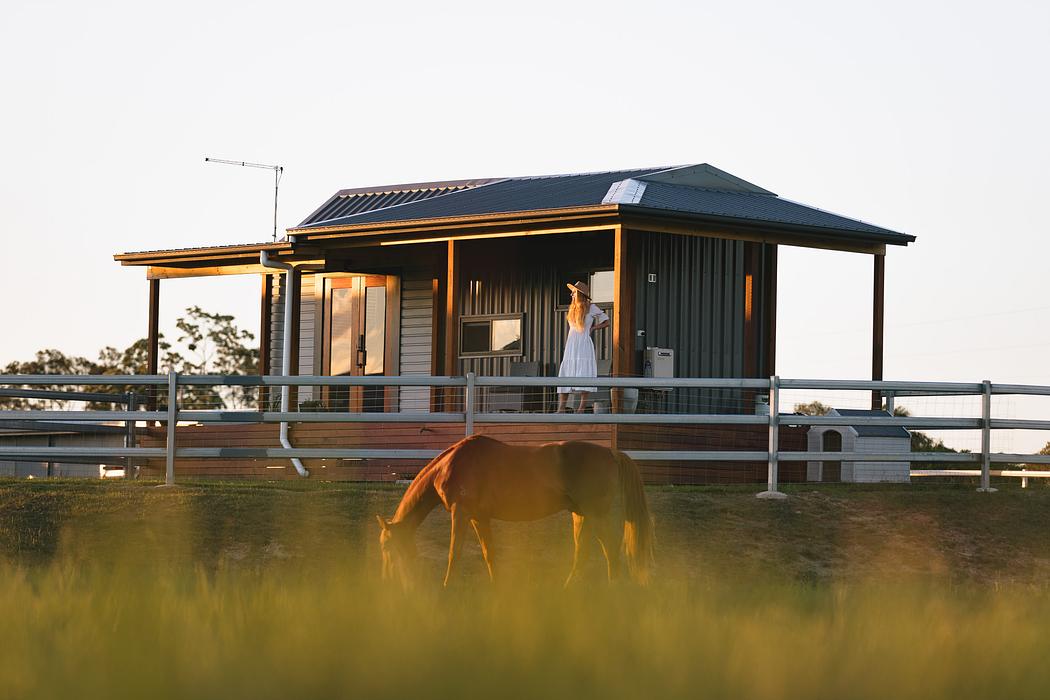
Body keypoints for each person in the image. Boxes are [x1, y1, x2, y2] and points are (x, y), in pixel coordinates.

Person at [556, 280, 610, 413]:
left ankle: (581, 408)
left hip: (584, 343)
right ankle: (561, 408)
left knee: (584, 372)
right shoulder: (573, 308)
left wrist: (593, 328)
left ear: (579, 294)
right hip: (571, 344)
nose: (571, 295)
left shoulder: (591, 307)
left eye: (573, 292)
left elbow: (606, 320)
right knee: (567, 374)